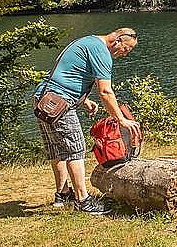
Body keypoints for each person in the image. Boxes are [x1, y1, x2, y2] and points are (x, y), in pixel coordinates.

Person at [34, 28, 142, 215]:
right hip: (61, 103)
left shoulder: (88, 42)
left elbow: (67, 73)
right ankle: (83, 201)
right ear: (117, 40)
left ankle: (63, 194)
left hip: (44, 99)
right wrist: (121, 119)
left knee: (56, 149)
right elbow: (106, 92)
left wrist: (83, 100)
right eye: (126, 49)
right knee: (76, 150)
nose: (125, 54)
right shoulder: (101, 52)